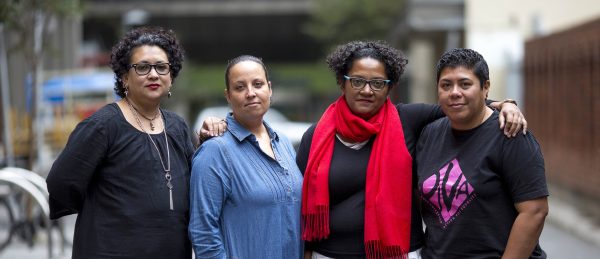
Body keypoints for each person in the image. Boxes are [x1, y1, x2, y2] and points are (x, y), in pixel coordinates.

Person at [201, 41, 527, 259]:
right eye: (357, 81)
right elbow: (298, 205)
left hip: (398, 253)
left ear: (390, 87)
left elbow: (459, 106)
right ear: (342, 83)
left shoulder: (408, 120)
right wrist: (221, 123)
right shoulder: (317, 135)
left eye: (377, 83)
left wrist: (504, 104)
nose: (367, 90)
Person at [46, 27, 194, 259]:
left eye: (161, 67)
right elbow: (61, 182)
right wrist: (103, 211)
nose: (153, 74)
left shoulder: (178, 127)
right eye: (142, 67)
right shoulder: (102, 126)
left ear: (171, 76)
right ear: (125, 77)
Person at [415, 48, 548, 258]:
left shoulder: (510, 134)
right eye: (446, 85)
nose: (454, 92)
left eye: (465, 84)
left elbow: (534, 212)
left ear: (485, 87)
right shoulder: (429, 134)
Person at [189, 55, 304, 259]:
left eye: (257, 84)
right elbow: (203, 231)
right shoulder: (215, 151)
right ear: (228, 96)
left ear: (269, 89)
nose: (250, 93)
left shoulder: (283, 143)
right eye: (240, 87)